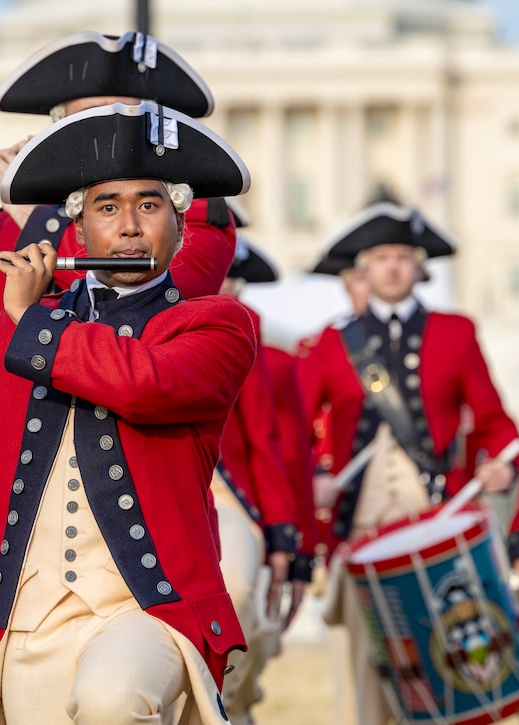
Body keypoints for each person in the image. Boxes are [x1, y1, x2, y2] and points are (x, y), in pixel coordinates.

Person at [0, 99, 252, 724]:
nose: (130, 226)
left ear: (181, 227)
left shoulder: (213, 324)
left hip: (147, 605)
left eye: (150, 204)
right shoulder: (19, 330)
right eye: (108, 207)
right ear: (77, 231)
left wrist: (28, 316)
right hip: (30, 613)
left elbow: (145, 385)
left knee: (112, 702)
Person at [298, 202, 519, 725]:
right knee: (364, 679)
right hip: (359, 530)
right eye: (381, 257)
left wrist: (498, 463)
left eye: (402, 257)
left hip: (438, 523)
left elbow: (497, 424)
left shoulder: (456, 332)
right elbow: (294, 432)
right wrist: (315, 479)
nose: (393, 267)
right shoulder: (333, 343)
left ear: (419, 268)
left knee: (454, 667)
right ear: (364, 270)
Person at [216, 233, 314, 724]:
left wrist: (285, 539)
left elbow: (272, 449)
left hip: (234, 500)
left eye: (235, 276)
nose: (228, 285)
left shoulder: (257, 345)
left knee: (240, 600)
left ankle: (228, 708)